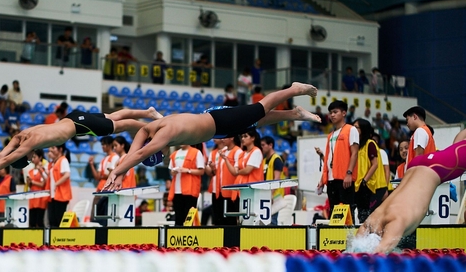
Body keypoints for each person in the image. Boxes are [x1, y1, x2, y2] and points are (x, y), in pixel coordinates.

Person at [103, 83, 319, 191]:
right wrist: (122, 173)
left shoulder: (164, 135)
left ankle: (293, 89)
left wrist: (119, 170)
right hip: (217, 127)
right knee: (256, 121)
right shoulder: (148, 130)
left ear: (156, 148)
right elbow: (137, 146)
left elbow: (140, 153)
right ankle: (294, 114)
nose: (164, 154)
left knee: (260, 109)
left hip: (219, 121)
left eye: (160, 154)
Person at [0, 106, 164, 185]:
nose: (30, 158)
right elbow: (2, 154)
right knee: (113, 116)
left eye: (26, 159)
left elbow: (7, 158)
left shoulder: (29, 144)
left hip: (78, 125)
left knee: (120, 126)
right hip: (71, 120)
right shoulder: (21, 136)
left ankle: (151, 127)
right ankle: (148, 112)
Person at [354, 129, 466, 253]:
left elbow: (361, 250)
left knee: (458, 146)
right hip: (433, 165)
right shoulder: (387, 220)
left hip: (419, 165)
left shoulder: (374, 220)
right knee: (458, 148)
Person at [316, 100, 359, 220]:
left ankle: (350, 238)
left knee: (347, 213)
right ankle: (335, 238)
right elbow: (328, 160)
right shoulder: (330, 135)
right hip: (331, 180)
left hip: (345, 178)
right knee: (334, 215)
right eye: (330, 113)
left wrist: (349, 173)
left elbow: (354, 153)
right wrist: (322, 180)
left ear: (344, 113)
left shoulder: (351, 130)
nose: (332, 115)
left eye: (335, 112)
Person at [352, 119, 388, 223]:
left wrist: (364, 180)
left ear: (363, 129)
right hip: (361, 186)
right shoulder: (356, 146)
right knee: (362, 217)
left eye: (356, 127)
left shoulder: (370, 144)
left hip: (372, 187)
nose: (353, 129)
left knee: (370, 216)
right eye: (353, 126)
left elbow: (375, 164)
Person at [260, 136, 285, 225]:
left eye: (263, 145)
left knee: (272, 222)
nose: (261, 147)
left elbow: (276, 179)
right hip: (266, 195)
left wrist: (271, 195)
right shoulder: (264, 160)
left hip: (275, 196)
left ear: (270, 145)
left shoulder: (276, 159)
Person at [403, 106, 436, 172]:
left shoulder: (420, 131)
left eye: (407, 120)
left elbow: (418, 157)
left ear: (415, 117)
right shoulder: (426, 131)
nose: (407, 124)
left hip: (418, 175)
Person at [47, 144, 71, 227]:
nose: (50, 150)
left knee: (58, 221)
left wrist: (56, 184)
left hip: (61, 195)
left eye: (53, 148)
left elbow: (67, 174)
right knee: (52, 220)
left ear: (60, 149)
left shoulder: (63, 160)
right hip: (53, 195)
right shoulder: (54, 163)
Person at [26, 149, 49, 228]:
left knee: (39, 221)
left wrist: (32, 182)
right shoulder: (30, 171)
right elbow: (29, 185)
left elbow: (43, 184)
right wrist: (29, 182)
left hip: (40, 199)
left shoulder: (43, 170)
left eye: (34, 157)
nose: (33, 159)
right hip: (32, 199)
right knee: (32, 221)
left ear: (40, 157)